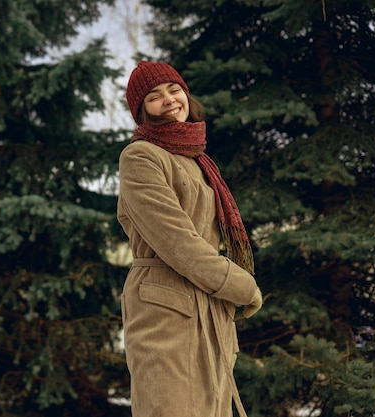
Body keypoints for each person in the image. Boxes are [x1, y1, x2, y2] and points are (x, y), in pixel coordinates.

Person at [117, 60, 263, 417]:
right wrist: (239, 284)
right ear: (142, 111)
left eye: (174, 89)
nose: (169, 99)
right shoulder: (140, 156)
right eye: (154, 96)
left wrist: (224, 294)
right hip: (165, 308)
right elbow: (175, 240)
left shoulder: (198, 159)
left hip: (209, 307)